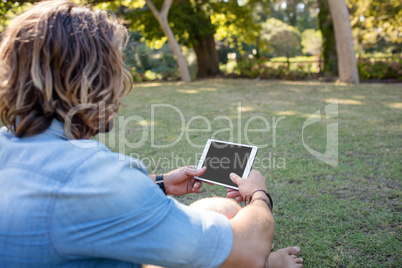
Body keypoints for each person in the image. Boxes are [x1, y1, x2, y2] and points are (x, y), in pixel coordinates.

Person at [0, 1, 303, 267]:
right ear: (96, 81)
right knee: (241, 232)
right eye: (118, 68)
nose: (123, 83)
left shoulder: (7, 143)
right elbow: (247, 250)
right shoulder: (97, 178)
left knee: (220, 207)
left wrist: (159, 183)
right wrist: (259, 195)